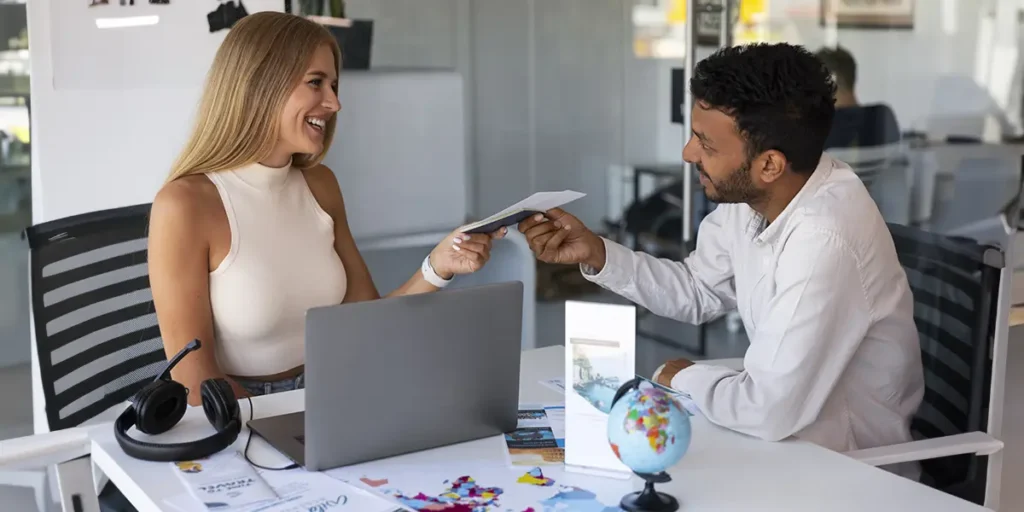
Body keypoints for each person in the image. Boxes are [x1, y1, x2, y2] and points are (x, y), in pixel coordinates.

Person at [518, 42, 924, 478]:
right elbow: (698, 289)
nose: (688, 154)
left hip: (848, 471)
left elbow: (767, 410)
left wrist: (686, 376)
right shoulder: (757, 194)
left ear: (769, 163)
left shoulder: (825, 237)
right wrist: (599, 253)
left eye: (706, 144)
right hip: (784, 443)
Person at [148, 12, 505, 405]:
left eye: (333, 85)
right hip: (241, 412)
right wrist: (286, 422)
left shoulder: (321, 186)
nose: (334, 103)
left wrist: (439, 266)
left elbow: (368, 321)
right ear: (259, 84)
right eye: (315, 83)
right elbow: (193, 376)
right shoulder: (185, 205)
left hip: (333, 390)